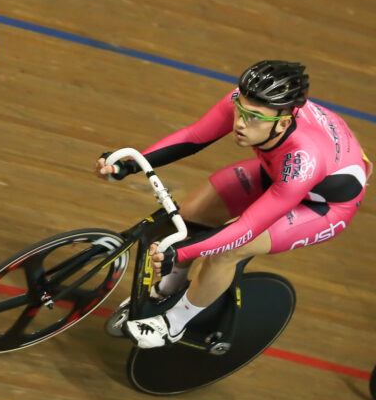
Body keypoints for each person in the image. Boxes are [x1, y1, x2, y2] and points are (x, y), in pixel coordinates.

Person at [95, 60, 370, 348]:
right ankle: (168, 287)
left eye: (253, 117)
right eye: (241, 109)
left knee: (228, 251)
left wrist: (182, 251)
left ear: (284, 122)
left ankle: (173, 324)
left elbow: (248, 226)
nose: (240, 122)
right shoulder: (251, 103)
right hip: (277, 171)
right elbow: (193, 137)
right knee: (191, 213)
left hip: (321, 207)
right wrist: (129, 165)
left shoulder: (304, 159)